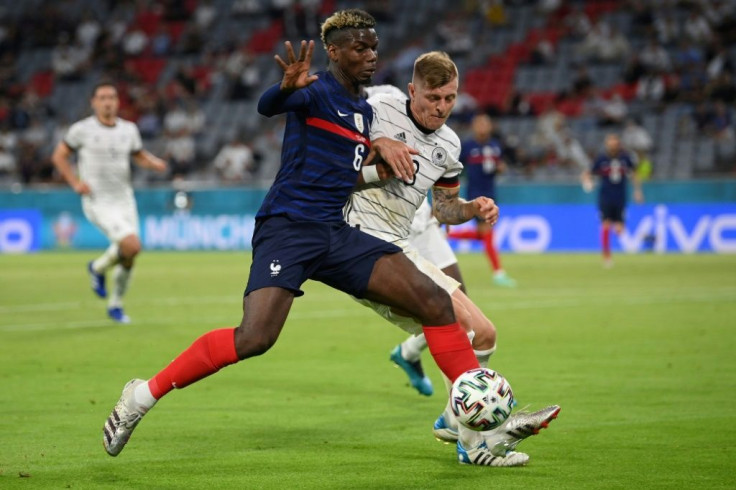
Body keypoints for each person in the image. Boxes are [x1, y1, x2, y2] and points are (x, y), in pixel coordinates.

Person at [100, 9, 485, 464]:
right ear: (334, 52)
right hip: (288, 227)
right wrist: (284, 88)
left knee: (435, 301)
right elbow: (269, 106)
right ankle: (141, 395)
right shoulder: (313, 90)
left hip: (336, 232)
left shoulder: (364, 111)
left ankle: (479, 433)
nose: (370, 55)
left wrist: (379, 152)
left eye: (374, 47)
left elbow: (350, 170)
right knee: (255, 337)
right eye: (359, 48)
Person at [351, 54, 558, 466]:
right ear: (412, 91)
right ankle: (478, 444)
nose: (442, 107)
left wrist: (473, 208)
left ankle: (453, 419)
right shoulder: (378, 111)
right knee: (460, 326)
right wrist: (376, 143)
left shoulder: (448, 144)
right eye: (433, 97)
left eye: (450, 97)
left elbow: (444, 209)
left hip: (402, 246)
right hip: (360, 247)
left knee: (484, 333)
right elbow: (335, 141)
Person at [51, 82, 167, 323]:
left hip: (125, 199)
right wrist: (75, 182)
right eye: (102, 97)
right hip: (98, 200)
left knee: (129, 254)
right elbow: (59, 156)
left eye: (112, 97)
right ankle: (99, 268)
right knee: (132, 245)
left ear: (118, 101)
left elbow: (138, 155)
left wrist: (154, 163)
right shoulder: (81, 130)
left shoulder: (129, 129)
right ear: (93, 102)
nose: (108, 102)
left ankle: (114, 301)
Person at [446, 114, 516, 287]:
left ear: (490, 127)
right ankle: (498, 273)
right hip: (475, 195)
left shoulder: (495, 146)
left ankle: (446, 235)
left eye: (486, 124)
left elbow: (497, 168)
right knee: (487, 231)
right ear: (474, 127)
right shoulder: (468, 146)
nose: (483, 127)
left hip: (491, 193)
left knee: (484, 234)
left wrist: (500, 168)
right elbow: (455, 167)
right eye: (479, 124)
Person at [581, 133, 644, 267]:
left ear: (618, 143)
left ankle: (635, 240)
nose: (613, 143)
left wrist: (638, 191)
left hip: (620, 196)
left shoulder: (626, 158)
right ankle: (606, 257)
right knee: (606, 224)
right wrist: (587, 182)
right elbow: (587, 173)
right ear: (607, 143)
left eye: (615, 141)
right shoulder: (601, 159)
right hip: (605, 196)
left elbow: (635, 174)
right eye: (610, 141)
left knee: (619, 229)